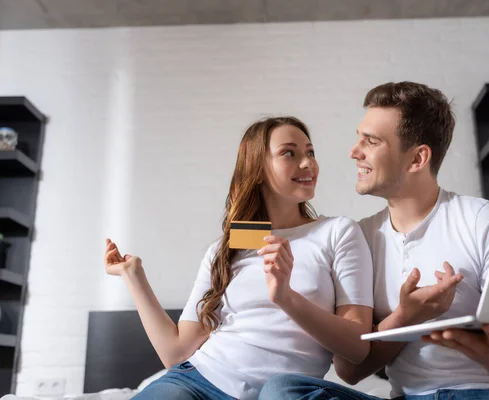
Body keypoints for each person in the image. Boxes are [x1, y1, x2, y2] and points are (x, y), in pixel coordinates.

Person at [259, 82, 489, 400]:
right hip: (409, 396)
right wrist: (408, 317)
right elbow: (350, 370)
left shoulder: (481, 219)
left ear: (417, 159)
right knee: (282, 391)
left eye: (370, 142)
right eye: (359, 138)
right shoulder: (360, 239)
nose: (354, 152)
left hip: (485, 393)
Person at [103, 116, 374, 400]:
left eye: (310, 152)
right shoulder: (228, 248)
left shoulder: (336, 232)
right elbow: (176, 351)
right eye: (289, 153)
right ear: (256, 167)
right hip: (196, 380)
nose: (307, 163)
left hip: (279, 394)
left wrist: (285, 297)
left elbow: (357, 347)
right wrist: (133, 275)